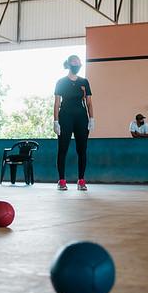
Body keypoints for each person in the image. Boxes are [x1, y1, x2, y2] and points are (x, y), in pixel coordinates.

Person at [53, 55, 94, 191]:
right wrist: (56, 121)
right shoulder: (61, 82)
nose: (78, 64)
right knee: (62, 149)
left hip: (81, 118)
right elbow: (57, 103)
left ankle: (81, 180)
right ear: (69, 64)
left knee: (82, 150)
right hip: (65, 117)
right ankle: (62, 180)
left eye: (79, 62)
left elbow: (88, 102)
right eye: (75, 62)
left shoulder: (84, 82)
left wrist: (91, 118)